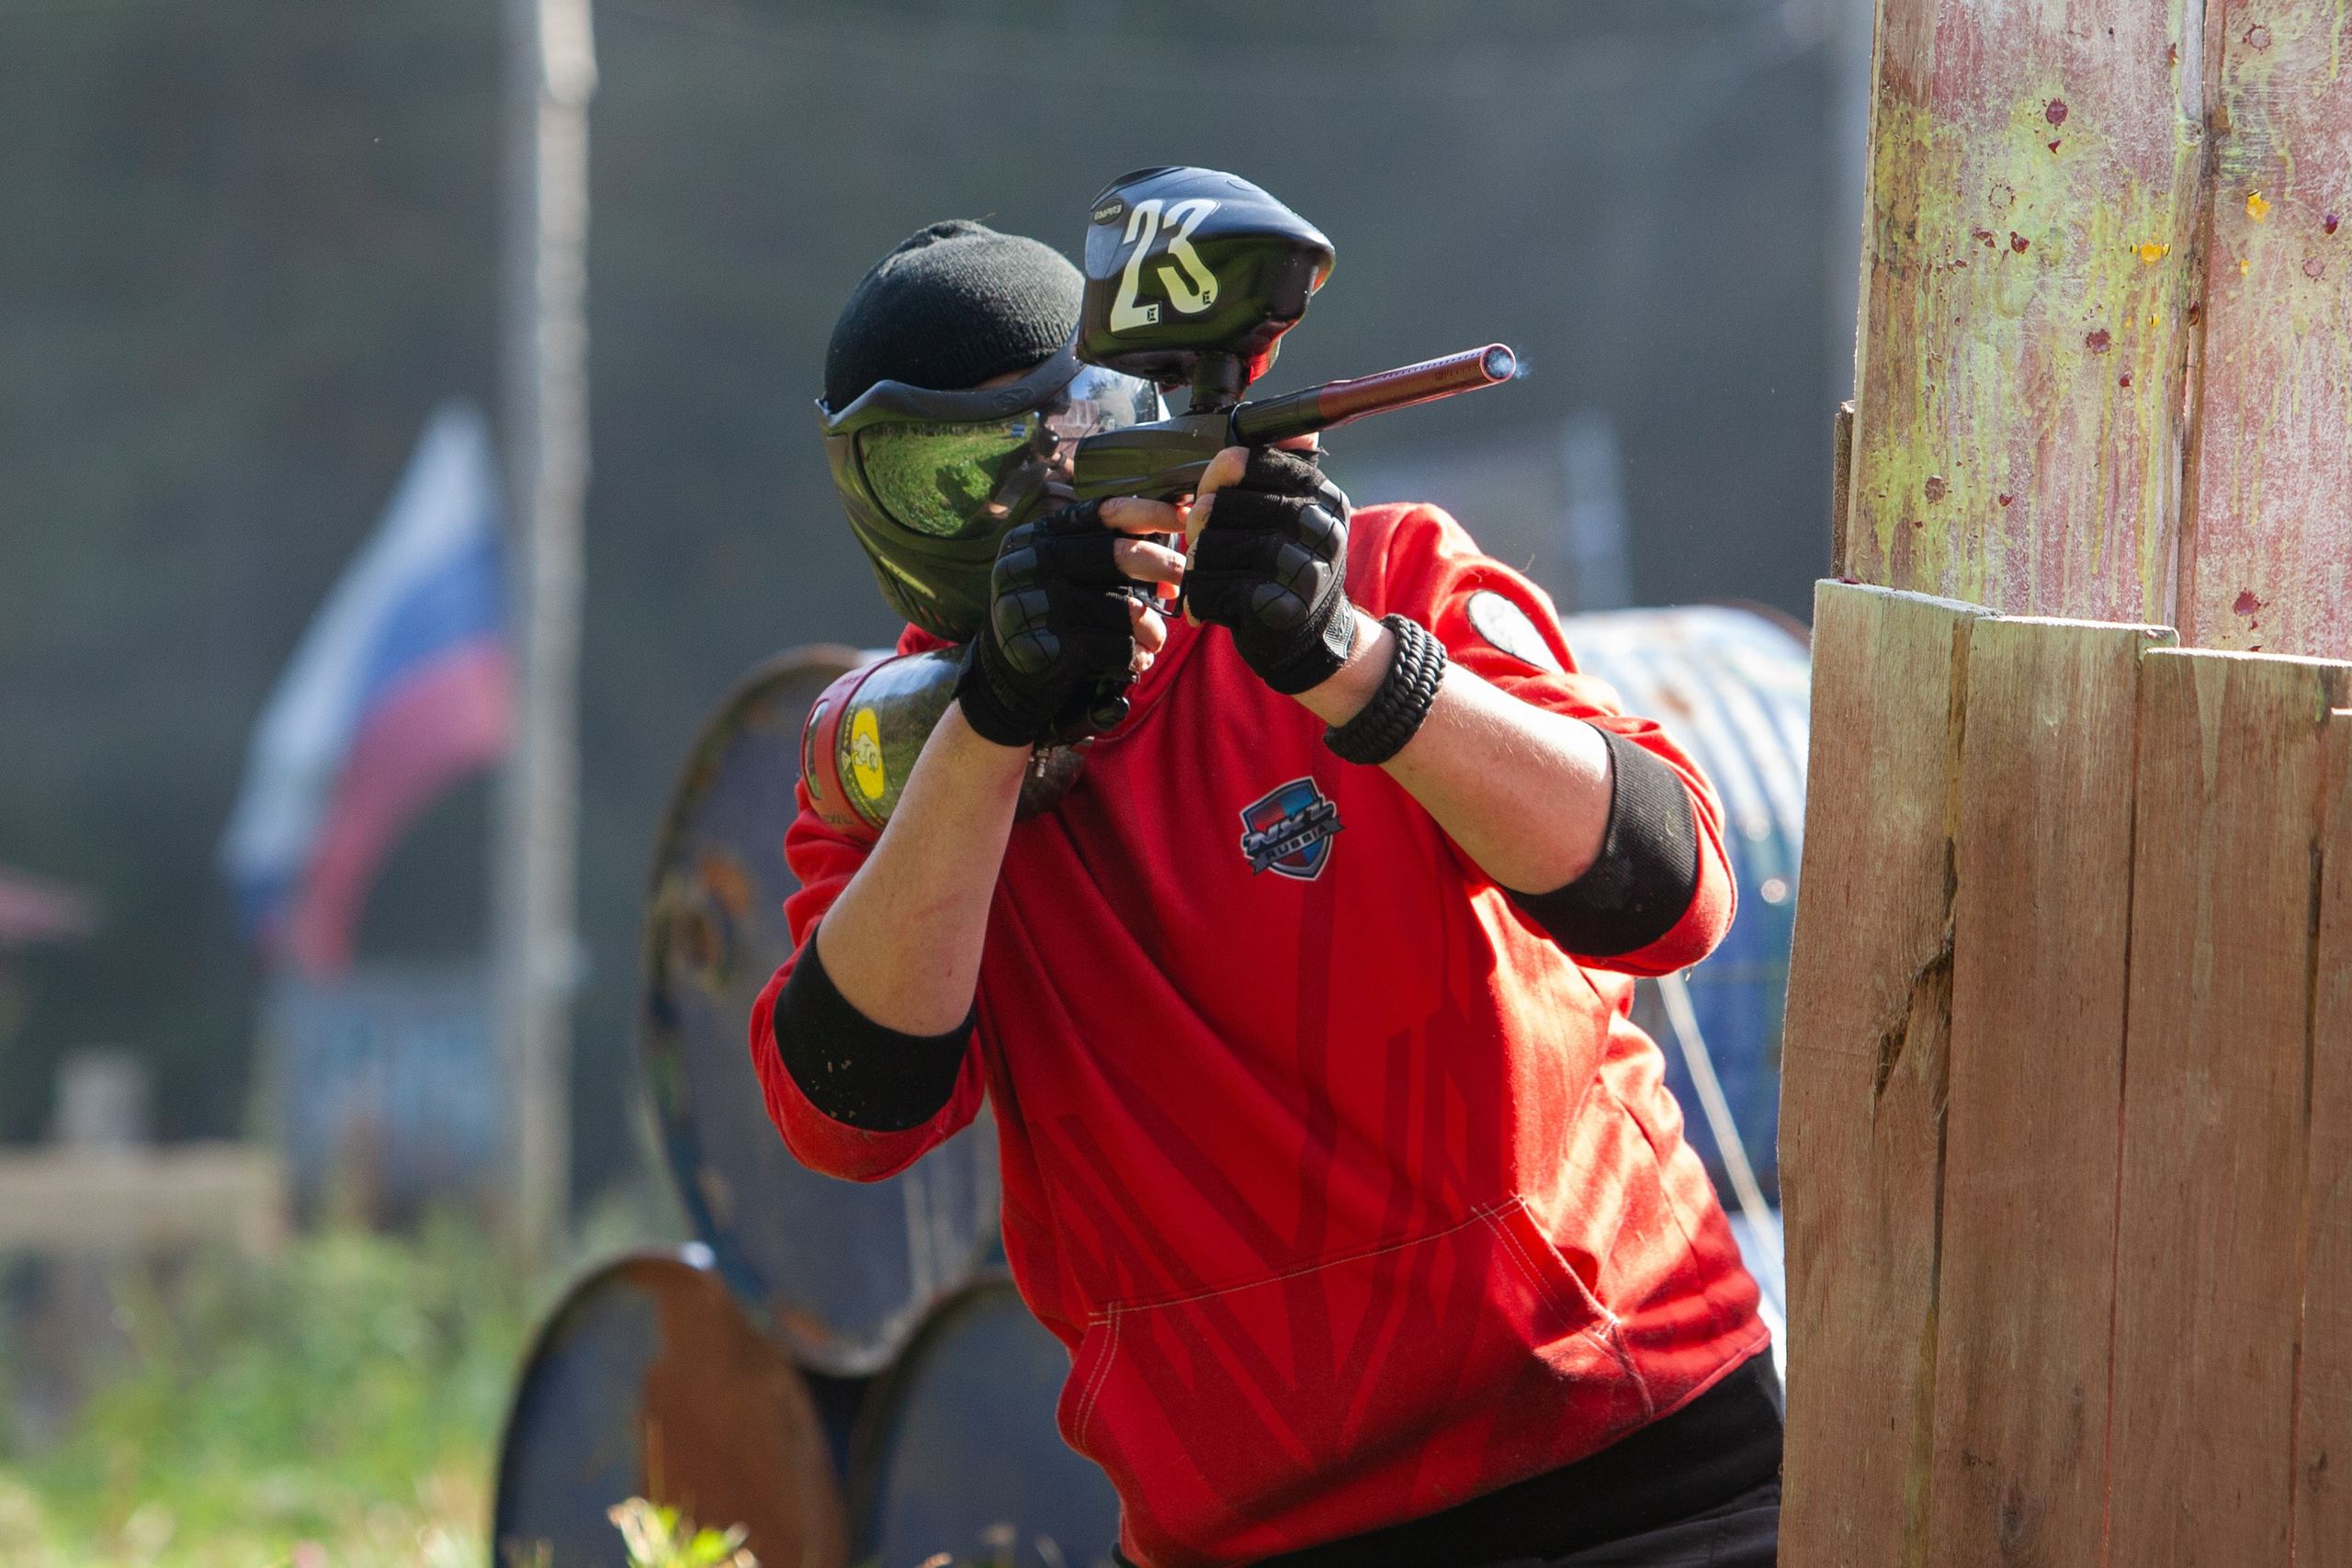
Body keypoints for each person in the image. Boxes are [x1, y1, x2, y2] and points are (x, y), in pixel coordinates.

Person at [751, 218, 1781, 1568]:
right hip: (1250, 1536)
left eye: (1043, 449)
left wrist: (1349, 660)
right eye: (951, 476)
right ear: (873, 501)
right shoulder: (895, 765)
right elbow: (847, 1111)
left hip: (1636, 1461)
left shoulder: (1384, 572)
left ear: (1114, 420)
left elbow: (1673, 893)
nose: (1011, 505)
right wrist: (994, 730)